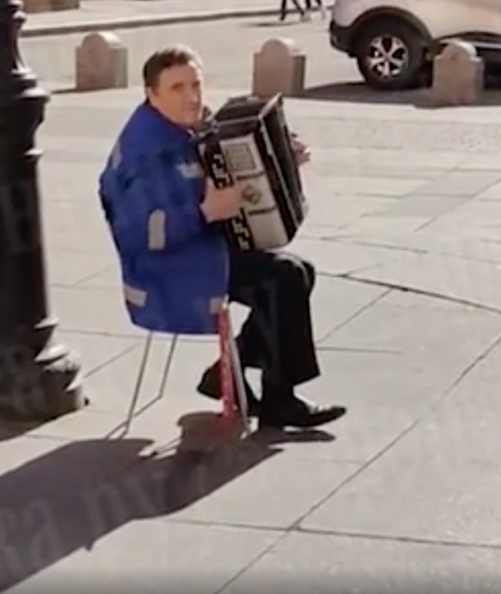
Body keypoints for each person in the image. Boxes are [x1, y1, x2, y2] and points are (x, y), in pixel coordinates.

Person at [98, 45, 346, 429]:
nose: (192, 96)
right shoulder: (144, 152)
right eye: (177, 88)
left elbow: (227, 162)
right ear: (151, 94)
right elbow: (136, 235)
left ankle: (230, 370)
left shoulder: (188, 126)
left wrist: (282, 158)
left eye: (196, 84)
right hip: (169, 268)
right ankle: (277, 397)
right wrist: (204, 213)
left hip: (202, 245)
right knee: (285, 277)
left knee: (298, 273)